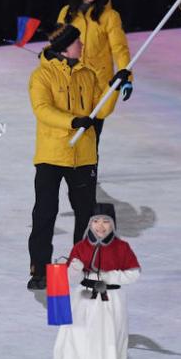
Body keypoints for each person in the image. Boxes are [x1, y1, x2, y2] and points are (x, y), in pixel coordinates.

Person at [27, 24, 117, 290]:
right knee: (45, 213)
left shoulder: (87, 74)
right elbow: (42, 109)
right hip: (52, 155)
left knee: (86, 214)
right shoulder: (41, 76)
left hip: (83, 156)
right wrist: (72, 121)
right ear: (66, 47)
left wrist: (114, 85)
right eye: (78, 42)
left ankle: (84, 264)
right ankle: (40, 270)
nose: (83, 45)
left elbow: (101, 110)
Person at [50, 203, 140, 359]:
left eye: (106, 221)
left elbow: (134, 273)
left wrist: (111, 276)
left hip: (110, 302)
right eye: (96, 221)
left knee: (106, 343)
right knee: (80, 341)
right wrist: (74, 269)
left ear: (113, 224)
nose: (101, 226)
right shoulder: (81, 247)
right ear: (90, 224)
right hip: (83, 301)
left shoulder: (122, 248)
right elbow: (69, 278)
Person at [55, 0, 133, 145]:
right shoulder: (67, 13)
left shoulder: (109, 16)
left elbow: (119, 49)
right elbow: (58, 44)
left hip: (98, 81)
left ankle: (90, 169)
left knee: (93, 132)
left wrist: (126, 77)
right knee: (71, 129)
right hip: (72, 80)